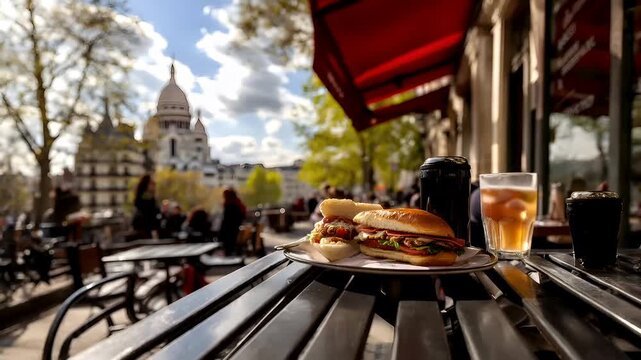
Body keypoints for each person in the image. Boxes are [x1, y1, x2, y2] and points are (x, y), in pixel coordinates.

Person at [219, 188, 246, 255]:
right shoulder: (238, 204)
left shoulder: (229, 205)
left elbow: (226, 221)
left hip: (230, 234)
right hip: (234, 232)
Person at [132, 175, 160, 239]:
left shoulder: (144, 195)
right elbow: (149, 209)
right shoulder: (145, 195)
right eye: (151, 183)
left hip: (146, 225)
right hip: (144, 225)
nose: (153, 185)